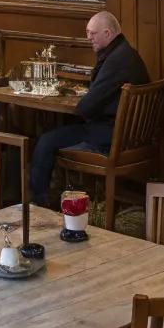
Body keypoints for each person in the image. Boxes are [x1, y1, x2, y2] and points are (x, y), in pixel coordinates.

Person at [28, 11, 149, 207]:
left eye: (92, 33)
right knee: (56, 134)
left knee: (46, 141)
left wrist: (79, 99)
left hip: (110, 137)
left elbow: (86, 108)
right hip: (127, 135)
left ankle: (37, 204)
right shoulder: (125, 53)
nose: (88, 38)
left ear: (108, 34)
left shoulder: (117, 60)